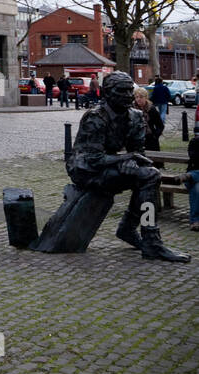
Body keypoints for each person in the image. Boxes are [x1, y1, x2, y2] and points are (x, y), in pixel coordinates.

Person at [68, 70, 188, 261]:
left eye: (128, 91)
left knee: (149, 175)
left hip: (109, 165)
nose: (126, 96)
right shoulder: (95, 118)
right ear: (107, 93)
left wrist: (131, 161)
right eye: (120, 91)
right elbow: (93, 159)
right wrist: (126, 159)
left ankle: (136, 231)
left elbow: (138, 152)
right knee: (148, 176)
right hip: (86, 171)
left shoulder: (135, 117)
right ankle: (141, 236)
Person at [134, 86, 165, 152]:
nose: (138, 99)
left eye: (141, 97)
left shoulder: (151, 109)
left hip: (150, 140)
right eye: (136, 97)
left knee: (154, 160)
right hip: (136, 140)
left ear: (146, 98)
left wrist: (155, 136)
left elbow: (160, 125)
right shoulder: (132, 109)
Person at [183, 137, 199, 231]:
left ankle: (190, 175)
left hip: (192, 177)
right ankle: (195, 220)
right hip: (192, 181)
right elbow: (194, 158)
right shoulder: (194, 142)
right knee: (197, 188)